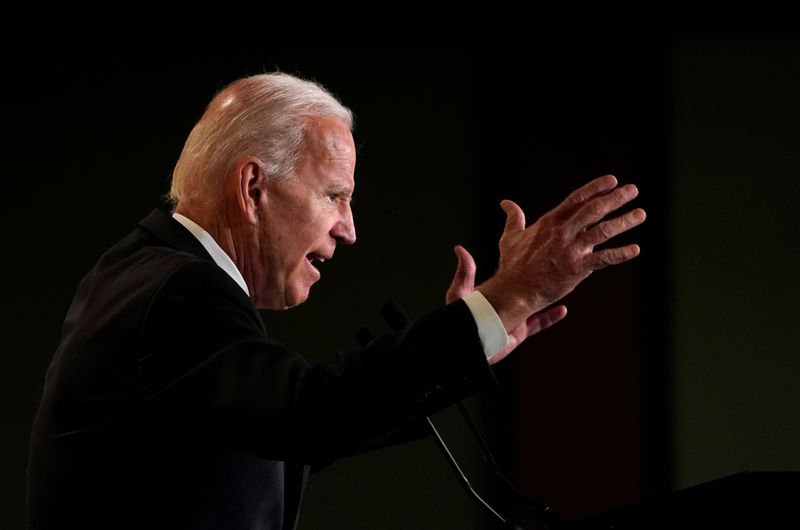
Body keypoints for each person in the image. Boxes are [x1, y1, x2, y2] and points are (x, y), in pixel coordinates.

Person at [26, 71, 646, 530]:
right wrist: (507, 298)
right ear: (253, 188)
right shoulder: (175, 290)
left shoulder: (144, 274)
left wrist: (478, 335)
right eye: (334, 196)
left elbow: (285, 433)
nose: (349, 229)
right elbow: (311, 413)